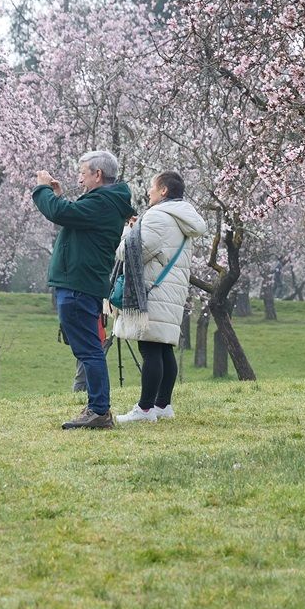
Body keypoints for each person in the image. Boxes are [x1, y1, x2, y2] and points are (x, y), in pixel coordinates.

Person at [32, 150, 133, 430]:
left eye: (83, 173)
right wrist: (58, 195)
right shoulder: (106, 201)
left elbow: (61, 213)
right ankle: (96, 407)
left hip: (79, 284)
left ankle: (99, 410)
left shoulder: (104, 202)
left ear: (97, 175)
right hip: (80, 283)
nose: (79, 179)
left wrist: (42, 189)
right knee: (88, 349)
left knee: (89, 350)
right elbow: (72, 215)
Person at [111, 171, 206, 424]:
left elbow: (129, 253)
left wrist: (125, 232)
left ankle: (144, 410)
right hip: (169, 291)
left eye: (152, 187)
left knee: (151, 347)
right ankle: (162, 404)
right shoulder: (181, 216)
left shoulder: (158, 216)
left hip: (154, 291)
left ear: (164, 190)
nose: (148, 192)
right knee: (163, 348)